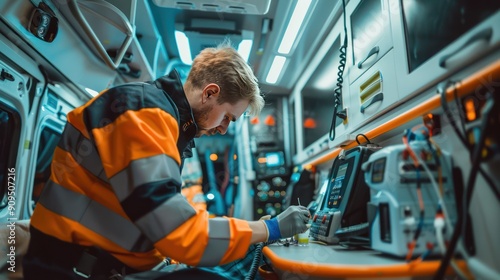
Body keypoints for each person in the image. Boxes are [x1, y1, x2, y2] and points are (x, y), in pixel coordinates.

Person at [23, 42, 311, 279]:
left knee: (248, 256)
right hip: (76, 269)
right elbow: (180, 233)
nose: (224, 128)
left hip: (106, 263)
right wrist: (269, 229)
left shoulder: (166, 122)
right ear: (210, 92)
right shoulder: (144, 113)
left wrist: (255, 233)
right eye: (227, 117)